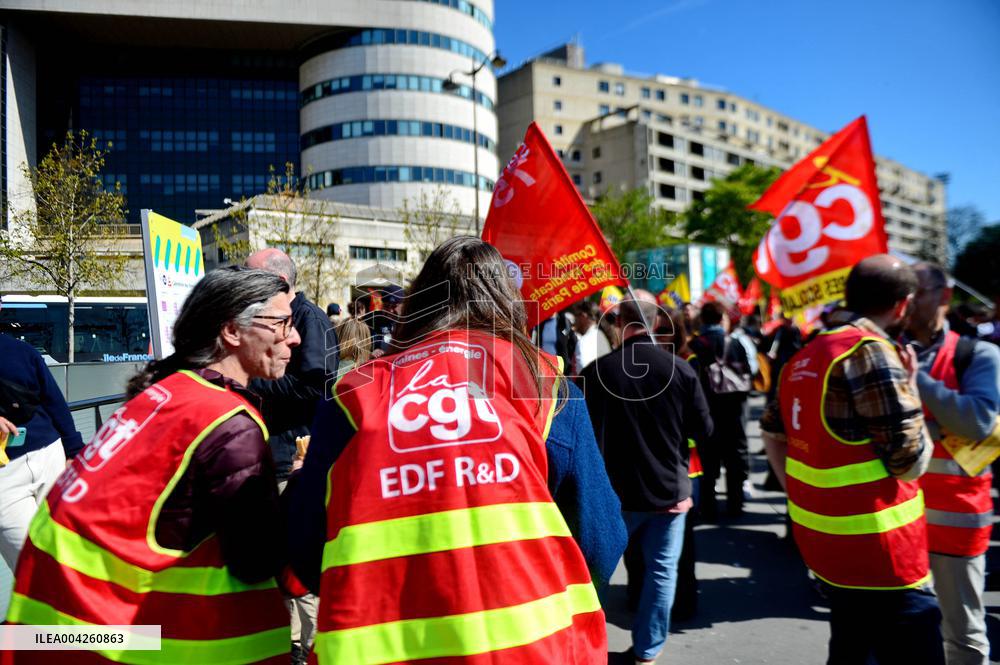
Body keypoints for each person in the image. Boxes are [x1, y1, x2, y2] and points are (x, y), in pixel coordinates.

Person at [288, 236, 624, 664]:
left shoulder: (353, 396)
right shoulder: (547, 386)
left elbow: (303, 551)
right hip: (529, 646)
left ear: (417, 302)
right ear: (507, 302)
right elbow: (601, 541)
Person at [4, 267, 299, 663]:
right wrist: (302, 482)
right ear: (232, 331)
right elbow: (257, 561)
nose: (293, 338)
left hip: (59, 635)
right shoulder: (228, 424)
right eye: (282, 323)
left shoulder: (164, 393)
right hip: (119, 643)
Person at [761, 254, 943, 665]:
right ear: (902, 305)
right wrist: (911, 389)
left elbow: (772, 431)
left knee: (850, 647)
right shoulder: (872, 353)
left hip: (823, 546)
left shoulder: (807, 354)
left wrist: (798, 492)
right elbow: (909, 462)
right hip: (884, 554)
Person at [581, 291, 713, 664]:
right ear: (657, 324)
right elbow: (704, 430)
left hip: (612, 495)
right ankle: (647, 650)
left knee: (596, 574)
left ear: (620, 323)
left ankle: (586, 645)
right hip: (667, 492)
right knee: (660, 572)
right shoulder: (682, 370)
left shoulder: (596, 373)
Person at [903, 262, 1000, 665]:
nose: (906, 301)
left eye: (917, 291)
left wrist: (916, 380)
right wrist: (939, 422)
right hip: (897, 522)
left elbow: (978, 421)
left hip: (956, 523)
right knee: (906, 635)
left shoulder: (977, 353)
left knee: (963, 637)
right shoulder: (881, 352)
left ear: (944, 297)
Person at [246, 248, 334, 664]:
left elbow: (314, 387)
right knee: (281, 568)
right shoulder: (284, 317)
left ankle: (314, 646)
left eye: (251, 279)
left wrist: (255, 382)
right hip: (278, 450)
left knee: (294, 566)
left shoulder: (309, 320)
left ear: (278, 283)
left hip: (293, 454)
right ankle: (296, 645)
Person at [0, 294, 83, 577]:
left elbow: (54, 402)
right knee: (33, 570)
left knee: (70, 553)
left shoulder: (21, 351)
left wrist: (75, 453)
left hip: (50, 455)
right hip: (4, 478)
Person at [690, 301, 752, 519]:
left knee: (708, 460)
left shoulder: (696, 344)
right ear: (721, 318)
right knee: (734, 457)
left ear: (703, 320)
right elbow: (747, 373)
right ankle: (736, 504)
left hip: (706, 409)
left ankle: (708, 507)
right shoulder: (735, 344)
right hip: (734, 410)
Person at [571, 300, 612, 372]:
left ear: (583, 316)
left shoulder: (584, 342)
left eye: (576, 316)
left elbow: (582, 372)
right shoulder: (602, 335)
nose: (575, 321)